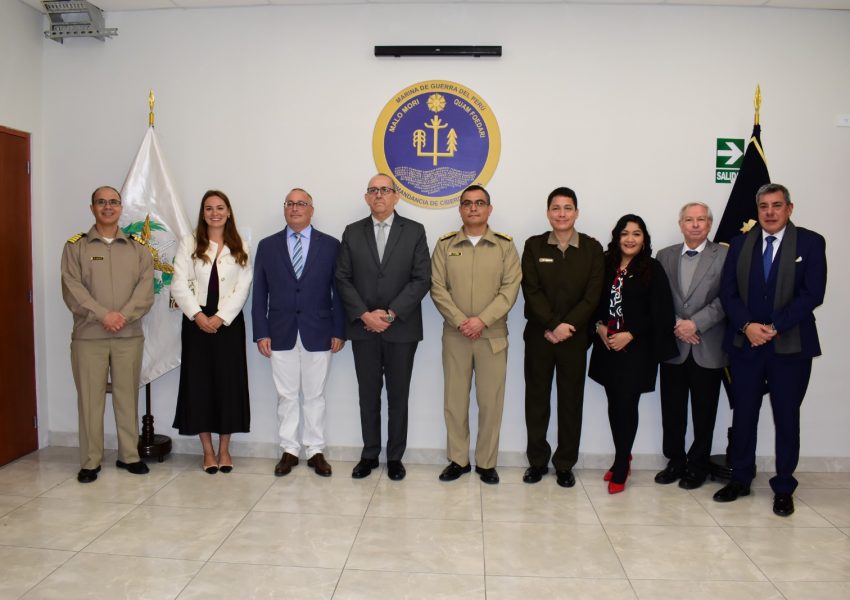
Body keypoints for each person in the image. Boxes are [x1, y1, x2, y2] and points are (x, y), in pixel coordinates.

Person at [713, 183, 826, 517]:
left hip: (790, 347)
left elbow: (813, 294)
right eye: (764, 206)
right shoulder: (739, 244)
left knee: (786, 417)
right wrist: (747, 325)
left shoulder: (810, 242)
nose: (770, 212)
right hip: (746, 345)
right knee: (744, 414)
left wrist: (775, 326)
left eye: (777, 205)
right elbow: (728, 293)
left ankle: (784, 486)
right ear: (757, 210)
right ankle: (741, 478)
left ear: (789, 208)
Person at [335, 173, 430, 481]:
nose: (379, 195)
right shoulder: (352, 232)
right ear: (366, 197)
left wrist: (390, 314)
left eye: (385, 190)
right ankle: (369, 454)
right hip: (363, 329)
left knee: (398, 397)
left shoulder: (414, 231)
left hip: (401, 329)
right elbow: (342, 278)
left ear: (396, 196)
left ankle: (395, 457)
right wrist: (365, 315)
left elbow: (422, 279)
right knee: (368, 395)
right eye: (373, 190)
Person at [61, 185, 154, 483]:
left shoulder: (138, 247)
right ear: (92, 208)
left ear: (121, 207)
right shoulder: (76, 247)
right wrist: (104, 315)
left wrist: (122, 316)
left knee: (127, 397)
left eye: (113, 202)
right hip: (89, 336)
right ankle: (90, 461)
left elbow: (145, 288)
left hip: (128, 335)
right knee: (90, 401)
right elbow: (72, 288)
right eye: (101, 202)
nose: (108, 207)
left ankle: (129, 456)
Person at [431, 185, 521, 485]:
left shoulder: (504, 246)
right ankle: (458, 459)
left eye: (479, 203)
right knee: (454, 401)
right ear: (460, 209)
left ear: (489, 209)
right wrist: (461, 322)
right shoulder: (445, 244)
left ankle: (486, 462)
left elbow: (510, 289)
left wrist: (481, 320)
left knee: (490, 402)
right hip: (456, 335)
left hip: (492, 335)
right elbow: (437, 288)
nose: (473, 208)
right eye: (467, 203)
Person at [252, 188, 345, 477]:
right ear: (284, 209)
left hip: (320, 330)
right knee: (286, 395)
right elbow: (260, 293)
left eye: (301, 203)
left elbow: (340, 292)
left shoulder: (331, 245)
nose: (295, 208)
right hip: (280, 331)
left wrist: (339, 330)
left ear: (311, 210)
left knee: (315, 395)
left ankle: (315, 450)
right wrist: (261, 332)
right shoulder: (267, 246)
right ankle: (289, 450)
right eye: (290, 204)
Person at [520, 187, 604, 488]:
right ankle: (537, 462)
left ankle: (565, 463)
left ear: (576, 213)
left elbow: (592, 296)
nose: (562, 214)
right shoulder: (534, 245)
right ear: (548, 213)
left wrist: (567, 326)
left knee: (570, 402)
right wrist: (552, 324)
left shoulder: (592, 248)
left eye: (568, 208)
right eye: (556, 208)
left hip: (574, 338)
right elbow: (531, 291)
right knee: (537, 400)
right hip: (539, 336)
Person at [589, 214, 677, 494]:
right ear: (617, 237)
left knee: (627, 404)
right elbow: (592, 301)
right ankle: (622, 455)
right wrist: (599, 326)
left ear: (644, 239)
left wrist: (631, 333)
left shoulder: (652, 268)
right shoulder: (605, 264)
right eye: (625, 233)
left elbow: (660, 311)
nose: (630, 239)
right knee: (614, 404)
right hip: (607, 347)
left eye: (636, 234)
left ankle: (621, 465)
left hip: (637, 350)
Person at [171, 190, 252, 474]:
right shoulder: (189, 242)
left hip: (228, 324)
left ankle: (224, 450)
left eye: (220, 208)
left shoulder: (240, 244)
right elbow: (178, 283)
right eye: (209, 208)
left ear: (228, 212)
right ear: (202, 213)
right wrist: (198, 315)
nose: (214, 213)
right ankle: (207, 451)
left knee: (228, 385)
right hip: (196, 324)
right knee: (199, 385)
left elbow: (243, 287)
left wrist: (220, 317)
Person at [655, 202, 728, 490]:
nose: (695, 225)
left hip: (707, 347)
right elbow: (658, 298)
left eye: (701, 219)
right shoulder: (664, 256)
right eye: (689, 219)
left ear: (709, 224)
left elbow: (728, 298)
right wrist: (677, 324)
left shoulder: (725, 255)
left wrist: (695, 323)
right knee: (672, 411)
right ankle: (675, 461)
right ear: (680, 224)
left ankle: (698, 466)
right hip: (674, 347)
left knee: (704, 413)